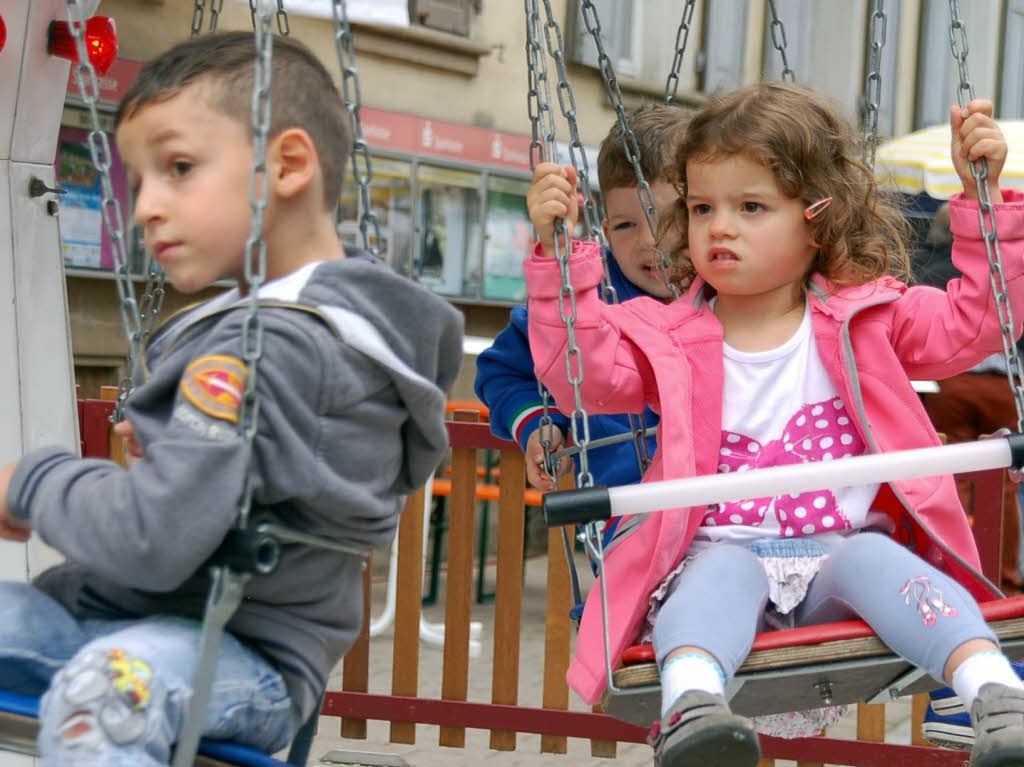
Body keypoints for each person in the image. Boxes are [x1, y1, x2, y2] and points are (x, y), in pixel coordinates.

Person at [524, 81, 1024, 767]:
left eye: (750, 206)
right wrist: (559, 261)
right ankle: (694, 709)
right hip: (723, 550)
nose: (719, 226)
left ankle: (994, 695)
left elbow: (977, 323)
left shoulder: (870, 317)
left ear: (818, 219)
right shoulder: (665, 334)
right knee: (711, 580)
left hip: (839, 556)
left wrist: (985, 205)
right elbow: (581, 369)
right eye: (702, 208)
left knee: (885, 563)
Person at [0, 31, 462, 767]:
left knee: (103, 694)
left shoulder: (268, 348)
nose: (145, 206)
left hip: (233, 652)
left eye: (178, 168)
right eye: (139, 179)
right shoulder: (321, 325)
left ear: (286, 165)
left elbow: (153, 537)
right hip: (119, 618)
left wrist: (30, 482)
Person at [475, 104, 687, 508]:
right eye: (627, 225)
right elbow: (504, 369)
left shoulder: (729, 292)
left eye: (672, 220)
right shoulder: (588, 293)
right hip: (628, 520)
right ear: (606, 230)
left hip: (722, 515)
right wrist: (541, 424)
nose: (651, 242)